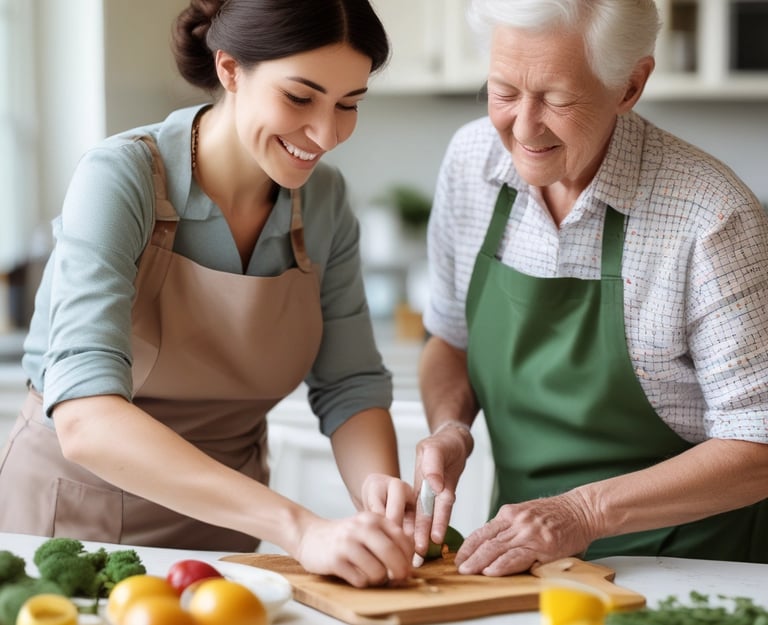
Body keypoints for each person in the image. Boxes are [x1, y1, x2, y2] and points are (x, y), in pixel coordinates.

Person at [0, 0, 417, 588]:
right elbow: (85, 419)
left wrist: (379, 500)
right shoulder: (121, 177)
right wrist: (299, 529)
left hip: (224, 536)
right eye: (300, 97)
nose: (327, 132)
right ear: (229, 70)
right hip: (76, 527)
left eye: (348, 104)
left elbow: (349, 385)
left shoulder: (323, 202)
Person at [411, 0, 768, 574]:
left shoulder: (709, 216)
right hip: (523, 568)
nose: (522, 128)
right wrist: (451, 427)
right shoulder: (471, 161)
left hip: (690, 570)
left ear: (629, 86)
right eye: (503, 91)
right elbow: (449, 339)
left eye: (556, 98)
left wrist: (581, 511)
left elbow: (759, 444)